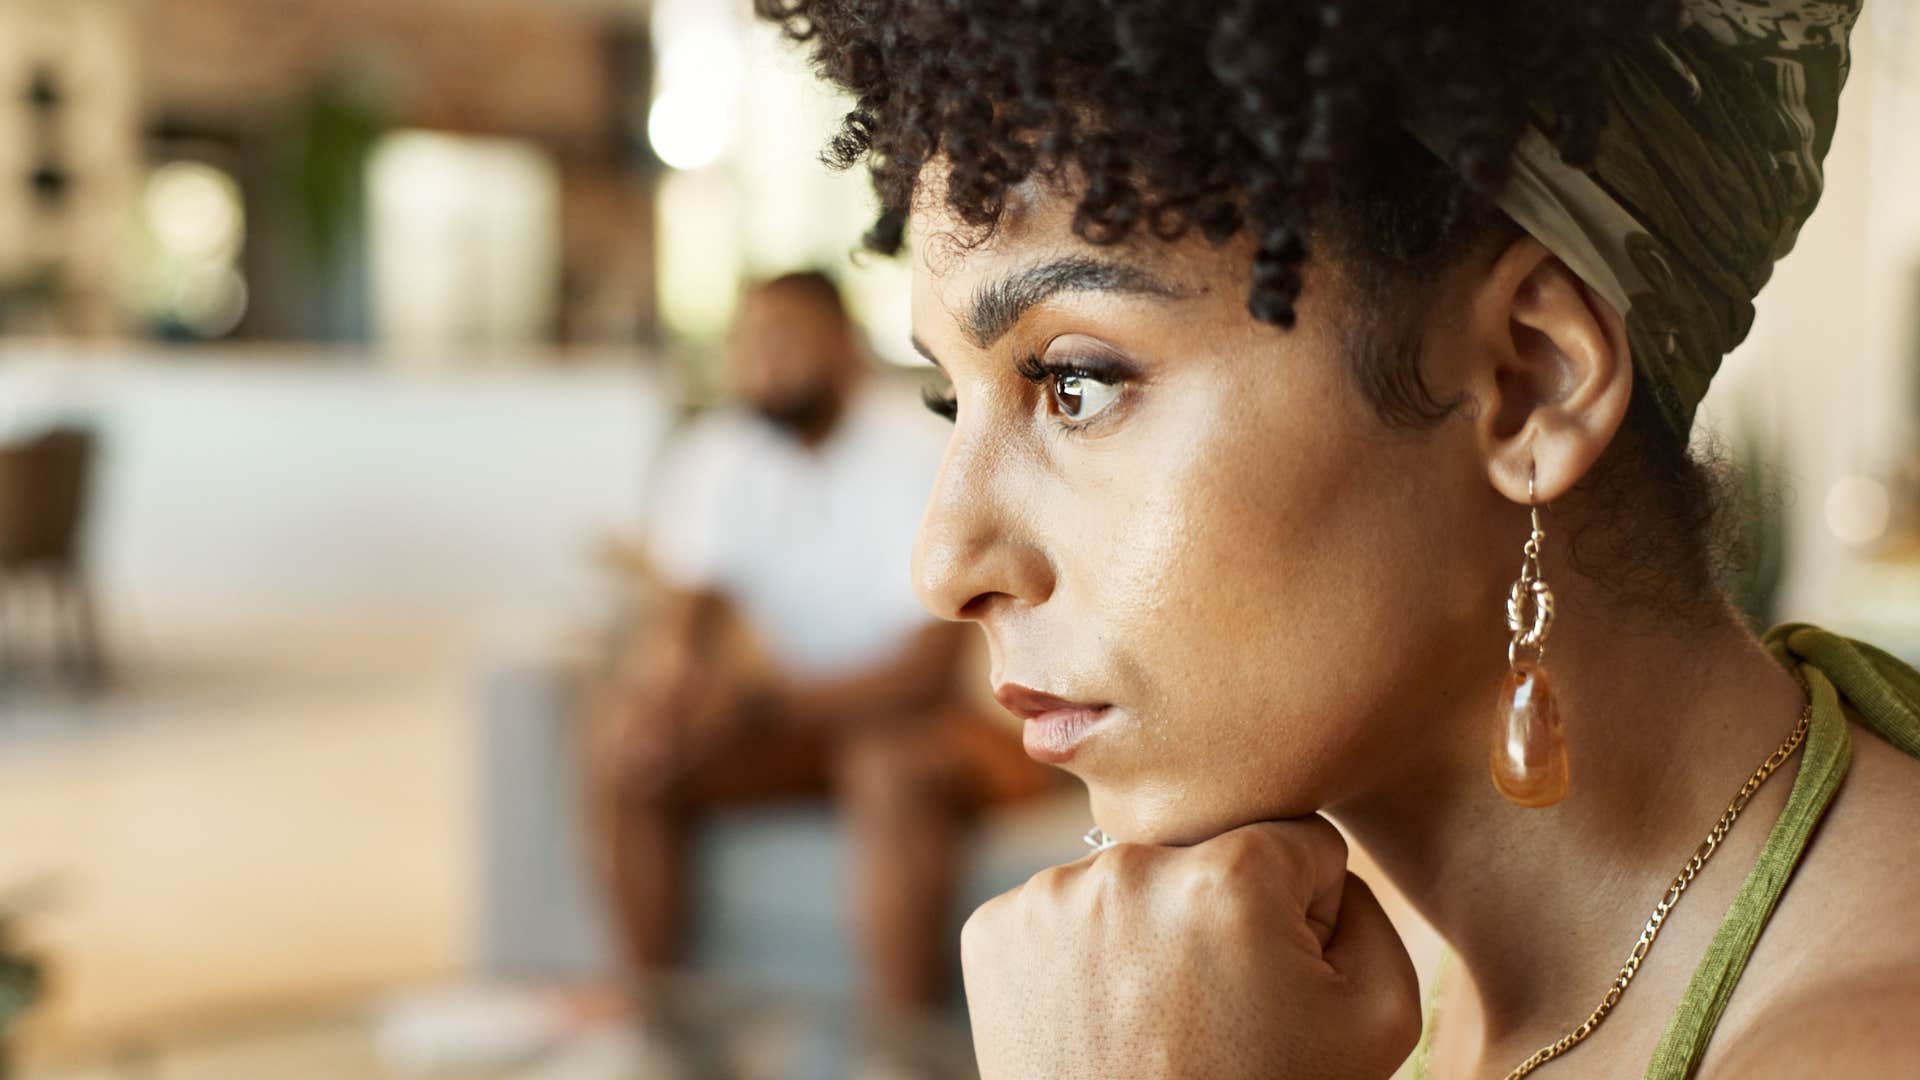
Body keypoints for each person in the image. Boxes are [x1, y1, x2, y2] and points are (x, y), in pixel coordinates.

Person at [755, 2, 1920, 1078]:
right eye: (949, 402)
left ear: (1527, 384)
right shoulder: (1292, 956)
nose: (944, 562)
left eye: (1076, 385)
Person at [593, 271, 1052, 1029]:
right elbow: (686, 615)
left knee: (885, 763)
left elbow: (925, 672)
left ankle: (897, 1052)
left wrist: (765, 706)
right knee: (633, 756)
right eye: (749, 343)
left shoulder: (917, 455)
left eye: (785, 339)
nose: (763, 361)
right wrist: (667, 693)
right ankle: (657, 1031)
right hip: (794, 729)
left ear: (842, 348)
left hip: (945, 724)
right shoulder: (716, 458)